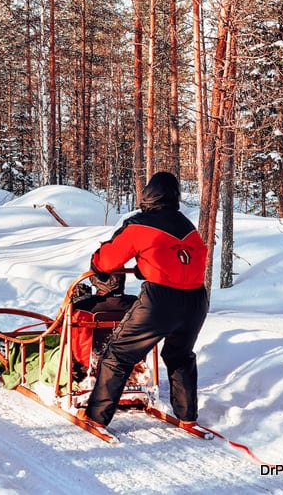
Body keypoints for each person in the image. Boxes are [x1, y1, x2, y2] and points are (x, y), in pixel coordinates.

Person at [80, 171, 209, 429]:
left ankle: (96, 418)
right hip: (196, 301)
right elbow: (181, 259)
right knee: (180, 356)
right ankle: (187, 417)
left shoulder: (140, 224)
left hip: (160, 301)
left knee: (118, 354)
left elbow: (107, 260)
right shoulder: (188, 227)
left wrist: (98, 265)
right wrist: (146, 266)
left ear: (148, 195)